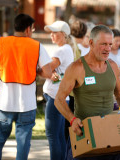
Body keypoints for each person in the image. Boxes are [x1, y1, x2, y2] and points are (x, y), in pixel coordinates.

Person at [54, 25, 120, 159]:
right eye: (103, 44)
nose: (108, 49)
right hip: (85, 134)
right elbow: (59, 99)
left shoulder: (113, 66)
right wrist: (72, 119)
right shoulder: (77, 68)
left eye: (110, 44)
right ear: (91, 43)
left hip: (111, 132)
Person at [0, 14, 52, 160]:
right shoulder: (36, 46)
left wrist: (2, 71)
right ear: (28, 29)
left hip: (3, 104)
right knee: (23, 145)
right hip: (26, 105)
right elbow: (47, 72)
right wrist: (35, 71)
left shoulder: (1, 43)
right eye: (32, 29)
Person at [43, 20, 74, 160]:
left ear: (63, 34)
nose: (52, 36)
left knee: (53, 135)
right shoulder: (67, 49)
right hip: (59, 96)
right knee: (59, 135)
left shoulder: (62, 50)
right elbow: (58, 74)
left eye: (54, 33)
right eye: (51, 33)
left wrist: (39, 68)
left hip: (55, 96)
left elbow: (46, 69)